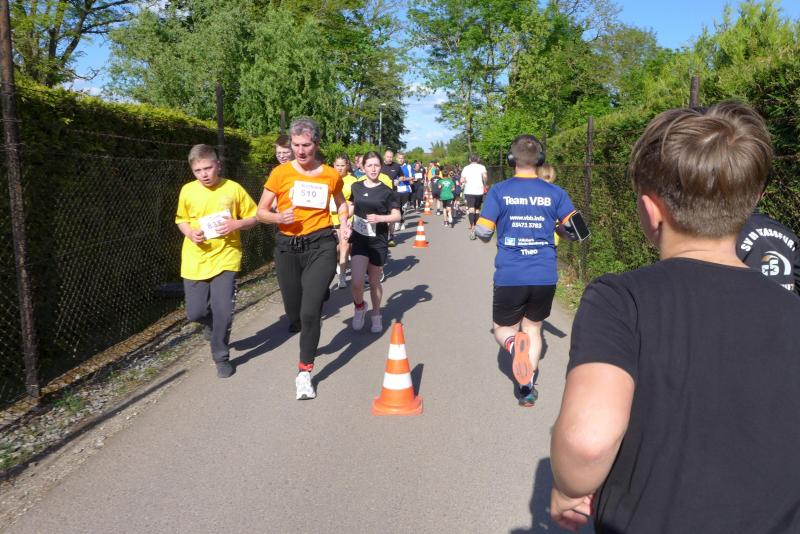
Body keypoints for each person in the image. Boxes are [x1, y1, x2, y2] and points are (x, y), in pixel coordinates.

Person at [549, 101, 800, 533]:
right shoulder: (790, 309)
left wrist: (569, 488)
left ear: (651, 211)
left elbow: (587, 443)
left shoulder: (620, 300)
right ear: (752, 203)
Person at [474, 135, 579, 406]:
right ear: (540, 160)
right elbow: (579, 231)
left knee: (503, 328)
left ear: (512, 160)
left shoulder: (499, 191)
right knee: (533, 328)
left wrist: (488, 228)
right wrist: (558, 230)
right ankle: (527, 389)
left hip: (511, 273)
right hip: (544, 273)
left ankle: (512, 345)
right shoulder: (556, 193)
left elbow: (484, 232)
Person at [256, 118, 350, 400]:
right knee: (294, 312)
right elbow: (261, 211)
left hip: (320, 244)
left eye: (306, 145)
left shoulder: (330, 175)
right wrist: (277, 218)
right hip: (287, 247)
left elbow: (341, 203)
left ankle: (304, 372)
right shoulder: (280, 173)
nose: (300, 150)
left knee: (310, 313)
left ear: (316, 144)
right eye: (296, 145)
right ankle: (313, 299)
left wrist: (344, 223)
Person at [175, 144, 258, 378]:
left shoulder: (233, 189)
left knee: (224, 312)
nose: (204, 174)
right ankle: (211, 325)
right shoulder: (187, 191)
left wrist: (236, 224)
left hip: (226, 256)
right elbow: (181, 219)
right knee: (196, 313)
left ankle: (221, 356)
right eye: (198, 170)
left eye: (208, 168)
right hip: (195, 259)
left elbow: (254, 216)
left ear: (218, 165)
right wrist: (190, 233)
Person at [349, 152, 401, 333]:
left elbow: (397, 215)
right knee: (356, 281)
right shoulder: (356, 186)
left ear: (381, 167)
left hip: (378, 241)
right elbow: (351, 206)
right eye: (369, 165)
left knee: (374, 281)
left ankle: (376, 314)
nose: (373, 169)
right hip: (359, 238)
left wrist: (380, 218)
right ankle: (360, 307)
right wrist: (345, 222)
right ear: (362, 167)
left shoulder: (387, 191)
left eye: (376, 165)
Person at [736, 203, 800, 294]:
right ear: (761, 196)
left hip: (746, 299)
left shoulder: (728, 235)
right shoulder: (788, 232)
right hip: (785, 300)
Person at [331, 155, 360, 289]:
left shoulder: (353, 181)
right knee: (334, 248)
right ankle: (339, 262)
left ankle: (342, 277)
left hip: (347, 218)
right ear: (333, 165)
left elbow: (356, 201)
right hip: (330, 218)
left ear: (347, 166)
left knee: (344, 245)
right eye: (337, 165)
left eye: (342, 165)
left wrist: (348, 210)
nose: (339, 168)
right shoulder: (329, 178)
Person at [461, 154, 488, 240]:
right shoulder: (482, 167)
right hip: (479, 190)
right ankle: (476, 227)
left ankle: (472, 228)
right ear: (478, 159)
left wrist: (464, 181)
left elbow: (462, 180)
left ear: (470, 160)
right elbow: (485, 176)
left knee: (471, 209)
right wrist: (485, 184)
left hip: (469, 191)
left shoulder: (466, 168)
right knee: (477, 209)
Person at [381, 149, 403, 247]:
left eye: (391, 157)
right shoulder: (380, 165)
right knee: (382, 217)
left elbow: (402, 176)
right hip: (381, 194)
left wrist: (399, 180)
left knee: (392, 217)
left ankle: (391, 237)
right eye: (388, 157)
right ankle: (382, 237)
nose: (389, 159)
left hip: (393, 194)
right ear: (384, 156)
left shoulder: (396, 166)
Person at [395, 152, 414, 229]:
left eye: (402, 158)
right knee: (397, 207)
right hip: (396, 190)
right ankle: (397, 222)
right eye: (399, 158)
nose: (401, 160)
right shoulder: (394, 166)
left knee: (403, 208)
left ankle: (402, 221)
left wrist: (405, 179)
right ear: (396, 159)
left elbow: (412, 177)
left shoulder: (408, 167)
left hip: (405, 189)